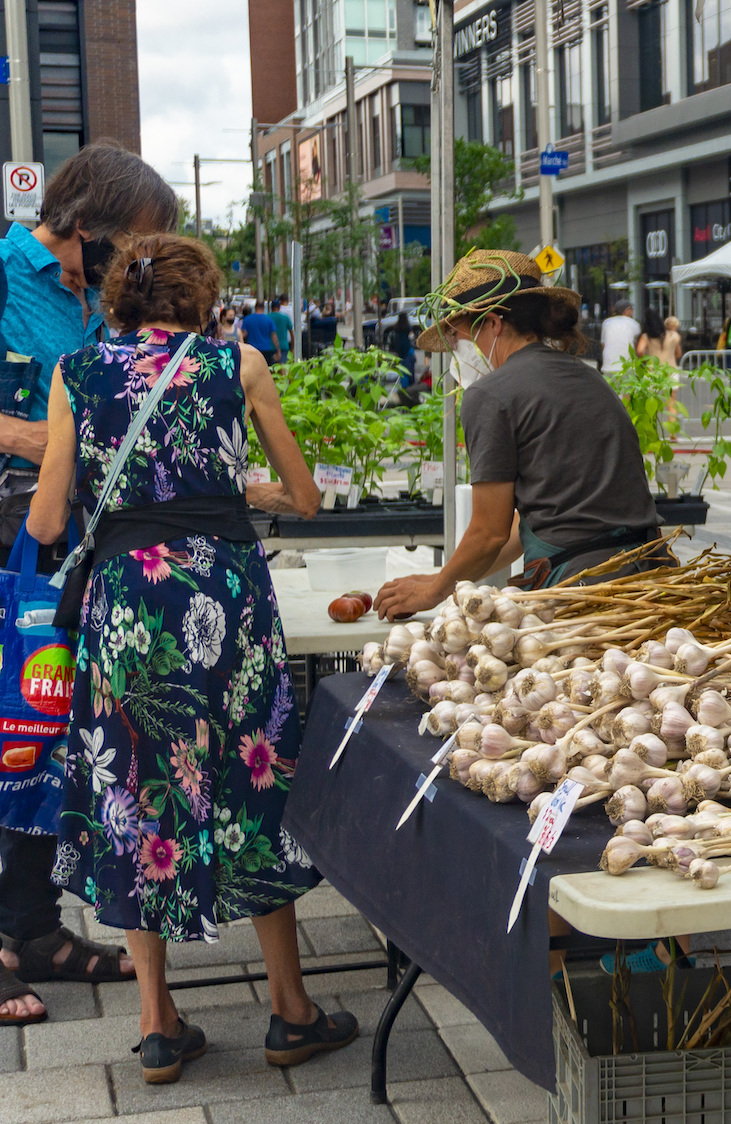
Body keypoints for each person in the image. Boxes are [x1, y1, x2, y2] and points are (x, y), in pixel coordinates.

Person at [24, 233, 354, 1081]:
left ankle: (159, 1025)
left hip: (128, 607)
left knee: (136, 793)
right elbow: (307, 496)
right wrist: (239, 491)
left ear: (120, 299)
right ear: (200, 298)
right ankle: (290, 1011)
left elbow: (48, 526)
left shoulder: (75, 373)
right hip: (228, 604)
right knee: (255, 781)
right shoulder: (235, 364)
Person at [0, 141, 177, 1028]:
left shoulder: (90, 297)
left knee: (46, 725)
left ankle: (33, 929)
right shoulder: (3, 270)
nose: (137, 267)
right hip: (10, 531)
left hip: (73, 537)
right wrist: (40, 440)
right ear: (83, 227)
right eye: (131, 247)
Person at [374, 250, 665, 616]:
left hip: (580, 596)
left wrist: (431, 593)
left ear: (493, 324)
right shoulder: (587, 375)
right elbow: (521, 524)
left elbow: (489, 531)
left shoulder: (490, 394)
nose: (456, 350)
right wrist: (443, 578)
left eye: (457, 335)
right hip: (650, 578)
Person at [600, 298, 640, 374]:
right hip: (627, 367)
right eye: (631, 309)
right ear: (626, 310)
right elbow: (636, 347)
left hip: (608, 366)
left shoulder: (606, 323)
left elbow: (603, 345)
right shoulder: (634, 324)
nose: (632, 312)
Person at [239, 299, 278, 365]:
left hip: (252, 349)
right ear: (263, 308)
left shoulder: (247, 319)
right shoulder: (269, 320)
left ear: (255, 307)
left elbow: (244, 334)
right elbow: (274, 336)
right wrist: (278, 350)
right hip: (266, 349)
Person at [385, 312, 416, 381]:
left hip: (399, 346)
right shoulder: (407, 326)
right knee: (409, 364)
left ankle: (403, 379)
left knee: (401, 363)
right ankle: (410, 379)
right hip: (407, 345)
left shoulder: (396, 326)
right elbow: (411, 336)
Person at [270, 295, 294, 364]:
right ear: (279, 307)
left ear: (271, 308)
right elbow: (291, 332)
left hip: (270, 346)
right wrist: (292, 346)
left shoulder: (267, 318)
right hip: (283, 345)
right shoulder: (285, 318)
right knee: (282, 367)